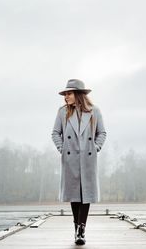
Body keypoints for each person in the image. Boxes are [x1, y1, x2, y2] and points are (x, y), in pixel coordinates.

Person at [51, 78, 107, 245]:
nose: (65, 96)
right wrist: (62, 149)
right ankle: (77, 228)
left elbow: (102, 133)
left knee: (86, 194)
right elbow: (55, 133)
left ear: (78, 94)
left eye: (68, 93)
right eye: (65, 94)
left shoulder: (94, 111)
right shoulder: (62, 112)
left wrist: (96, 147)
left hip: (88, 158)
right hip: (70, 159)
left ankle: (81, 229)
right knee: (74, 194)